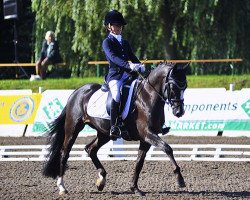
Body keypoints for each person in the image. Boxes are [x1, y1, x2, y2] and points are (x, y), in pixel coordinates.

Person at [102, 10, 145, 140]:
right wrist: (128, 65)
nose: (119, 27)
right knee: (116, 94)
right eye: (117, 25)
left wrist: (139, 65)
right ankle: (114, 125)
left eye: (121, 25)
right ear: (109, 26)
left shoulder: (125, 42)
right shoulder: (107, 42)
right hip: (115, 76)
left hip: (128, 75)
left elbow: (132, 56)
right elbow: (113, 57)